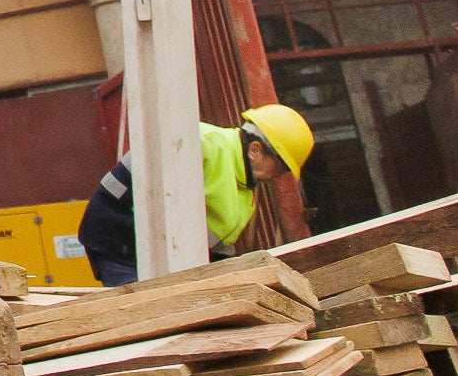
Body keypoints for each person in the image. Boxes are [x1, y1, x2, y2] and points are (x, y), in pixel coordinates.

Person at [75, 105, 313, 287]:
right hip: (117, 238)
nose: (278, 177)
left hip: (158, 252)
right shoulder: (200, 141)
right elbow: (142, 195)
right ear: (255, 150)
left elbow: (218, 248)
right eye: (280, 168)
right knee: (148, 317)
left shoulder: (245, 195)